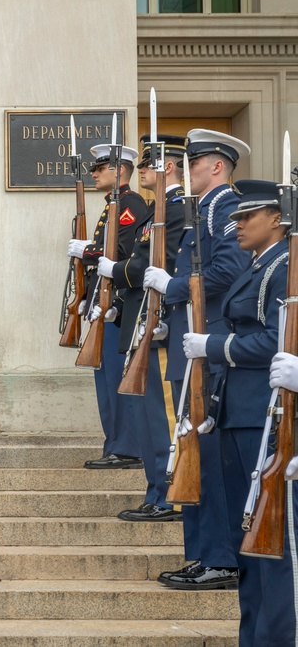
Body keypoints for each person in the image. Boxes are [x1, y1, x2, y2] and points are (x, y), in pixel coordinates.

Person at [182, 180, 290, 645]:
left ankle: (276, 635)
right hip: (236, 413)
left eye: (248, 216)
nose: (237, 223)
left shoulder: (287, 267)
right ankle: (255, 635)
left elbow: (275, 342)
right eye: (237, 216)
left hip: (264, 417)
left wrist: (216, 346)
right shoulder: (259, 265)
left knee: (271, 542)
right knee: (246, 538)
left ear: (277, 218)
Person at [144, 129, 250, 591]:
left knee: (207, 450)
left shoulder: (225, 206)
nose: (186, 171)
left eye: (195, 162)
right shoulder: (202, 209)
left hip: (213, 341)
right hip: (194, 338)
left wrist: (170, 285)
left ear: (218, 167)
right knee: (192, 447)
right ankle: (204, 552)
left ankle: (222, 557)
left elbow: (229, 271)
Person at [97, 135, 188, 522]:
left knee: (164, 417)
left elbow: (150, 266)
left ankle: (171, 496)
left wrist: (112, 271)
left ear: (167, 167)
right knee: (150, 418)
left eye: (149, 164)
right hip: (140, 319)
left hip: (160, 322)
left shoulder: (179, 210)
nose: (143, 171)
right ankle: (157, 491)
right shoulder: (156, 211)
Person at [68, 143, 150, 469]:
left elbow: (123, 249)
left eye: (100, 168)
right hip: (103, 305)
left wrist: (87, 250)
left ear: (119, 171)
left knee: (118, 381)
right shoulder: (111, 206)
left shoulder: (130, 204)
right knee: (105, 384)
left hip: (118, 308)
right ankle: (114, 443)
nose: (94, 173)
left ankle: (128, 448)